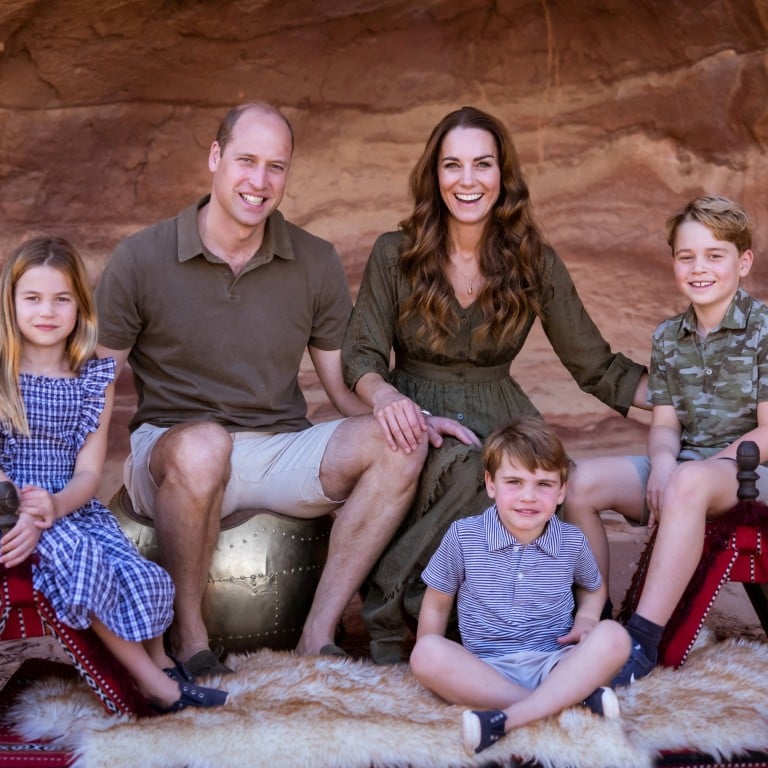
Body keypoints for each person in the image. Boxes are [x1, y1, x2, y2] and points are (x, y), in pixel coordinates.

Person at [94, 102, 438, 676]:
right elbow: (95, 384)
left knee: (400, 444)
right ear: (215, 157)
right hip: (173, 453)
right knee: (205, 446)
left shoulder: (314, 260)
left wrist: (398, 410)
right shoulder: (140, 257)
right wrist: (69, 482)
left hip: (276, 448)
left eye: (276, 166)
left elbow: (342, 386)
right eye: (246, 161)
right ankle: (190, 640)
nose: (260, 181)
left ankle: (317, 634)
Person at [342, 105, 648, 663]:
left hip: (503, 410)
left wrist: (687, 400)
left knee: (543, 481)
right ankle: (403, 615)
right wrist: (387, 399)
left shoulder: (533, 262)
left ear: (502, 175)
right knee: (474, 471)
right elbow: (361, 354)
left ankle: (553, 630)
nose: (468, 180)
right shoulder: (395, 253)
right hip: (418, 416)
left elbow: (596, 365)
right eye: (452, 165)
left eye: (482, 164)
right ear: (434, 175)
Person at [0, 236, 227, 713]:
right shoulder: (3, 375)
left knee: (140, 572)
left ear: (81, 306)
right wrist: (23, 511)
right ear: (11, 303)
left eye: (62, 299)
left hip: (69, 505)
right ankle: (156, 686)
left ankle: (163, 663)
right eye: (33, 298)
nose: (47, 311)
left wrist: (57, 505)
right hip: (8, 504)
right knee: (79, 556)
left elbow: (88, 472)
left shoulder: (93, 379)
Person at [562, 194, 768, 684]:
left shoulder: (763, 330)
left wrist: (692, 473)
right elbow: (666, 425)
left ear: (743, 262)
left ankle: (642, 641)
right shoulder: (669, 337)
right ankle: (596, 616)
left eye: (714, 255)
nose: (699, 268)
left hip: (751, 473)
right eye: (686, 256)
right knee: (580, 483)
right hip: (688, 470)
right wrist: (663, 464)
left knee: (689, 482)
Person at [410, 416, 631, 755]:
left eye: (544, 484)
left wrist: (587, 620)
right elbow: (437, 603)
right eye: (514, 481)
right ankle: (563, 707)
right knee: (425, 653)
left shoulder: (571, 541)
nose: (529, 496)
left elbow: (592, 587)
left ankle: (508, 719)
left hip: (555, 664)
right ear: (491, 484)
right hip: (485, 670)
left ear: (562, 491)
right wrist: (433, 663)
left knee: (614, 636)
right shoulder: (464, 536)